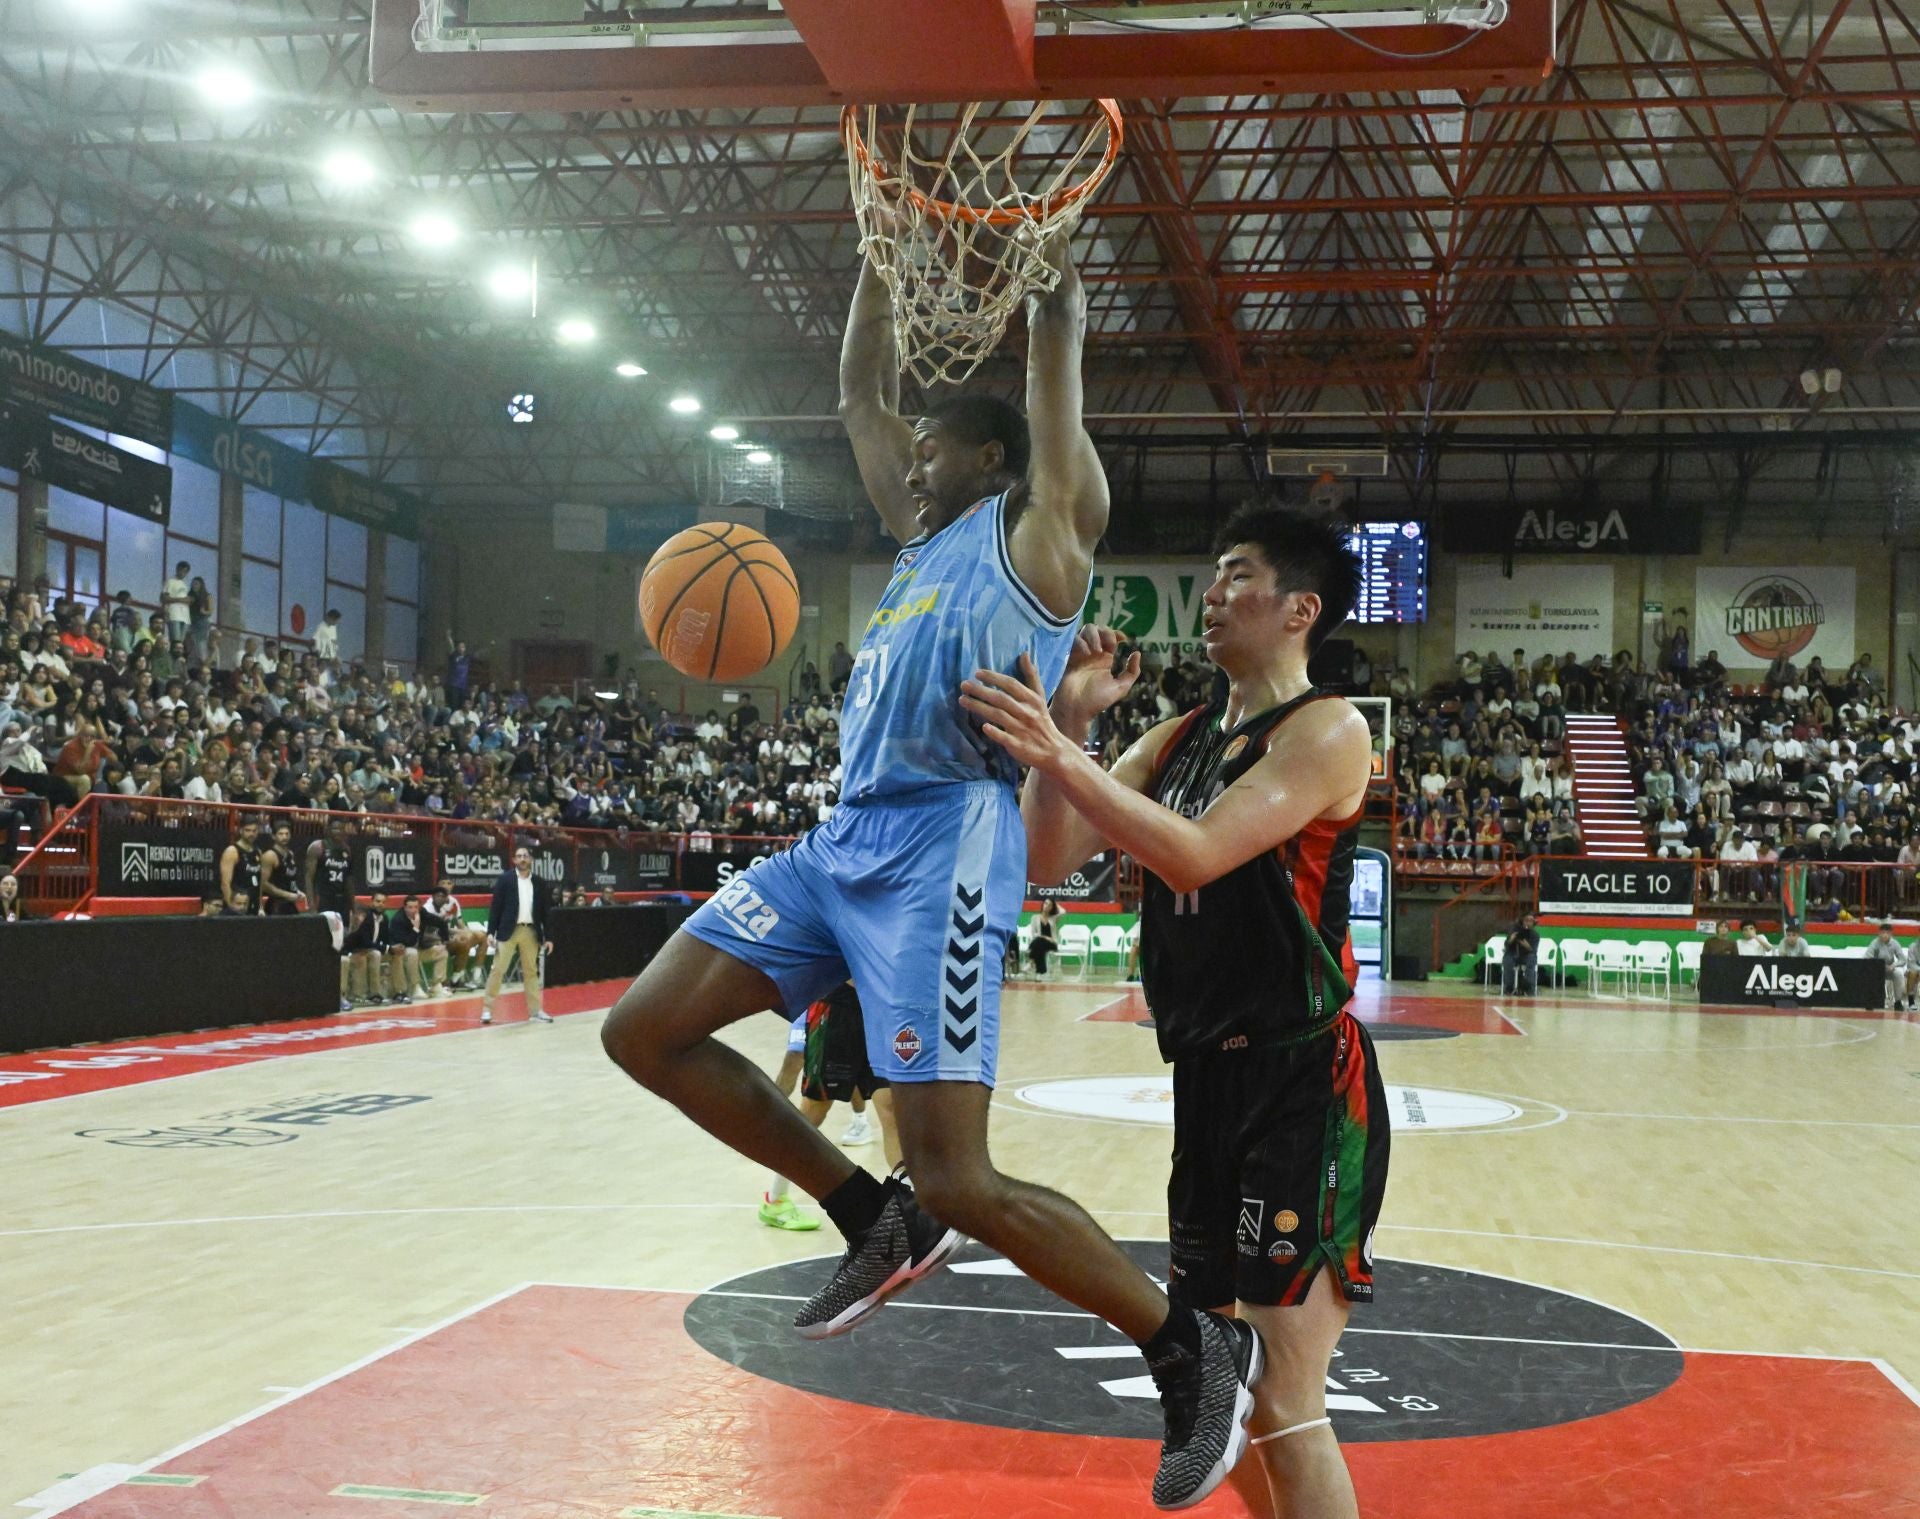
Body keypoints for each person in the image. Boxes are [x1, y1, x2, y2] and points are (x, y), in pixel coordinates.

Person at [600, 236, 1261, 1510]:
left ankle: (1189, 1347)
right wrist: (872, 254)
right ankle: (869, 1214)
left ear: (994, 462)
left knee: (959, 1170)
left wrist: (1053, 296)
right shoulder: (916, 548)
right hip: (840, 841)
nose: (909, 462)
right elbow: (860, 391)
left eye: (933, 450)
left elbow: (1056, 388)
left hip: (944, 850)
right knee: (646, 1030)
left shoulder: (1042, 539)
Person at [962, 506, 1386, 1519]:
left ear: (1299, 610)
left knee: (1285, 1398)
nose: (1212, 591)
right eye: (1213, 571)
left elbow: (1192, 855)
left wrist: (1058, 757)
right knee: (1212, 1387)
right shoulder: (1179, 737)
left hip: (1301, 1080)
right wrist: (1072, 723)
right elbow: (1045, 857)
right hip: (1206, 1079)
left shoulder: (1329, 728)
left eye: (1237, 573)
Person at [483, 845, 553, 1026]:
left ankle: (535, 1012)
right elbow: (495, 908)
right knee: (498, 969)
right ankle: (487, 1009)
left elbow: (546, 911)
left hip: (530, 931)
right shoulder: (505, 880)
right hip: (508, 930)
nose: (522, 859)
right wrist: (490, 932)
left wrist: (548, 937)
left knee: (531, 972)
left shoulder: (539, 882)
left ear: (531, 859)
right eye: (519, 856)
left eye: (525, 856)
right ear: (514, 860)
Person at [218, 816, 265, 915]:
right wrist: (232, 908)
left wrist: (260, 906)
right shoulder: (232, 851)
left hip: (253, 905)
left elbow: (260, 882)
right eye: (248, 830)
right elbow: (225, 884)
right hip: (238, 907)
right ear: (240, 830)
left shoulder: (258, 852)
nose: (251, 834)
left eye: (254, 831)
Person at [257, 821, 306, 916]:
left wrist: (297, 891)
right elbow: (263, 883)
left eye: (287, 834)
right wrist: (287, 895)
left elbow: (289, 879)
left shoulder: (290, 854)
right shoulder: (270, 855)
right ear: (273, 836)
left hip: (290, 903)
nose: (284, 837)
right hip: (276, 905)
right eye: (281, 834)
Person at [1502, 913, 1540, 996]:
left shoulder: (1535, 935)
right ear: (1522, 921)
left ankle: (1528, 988)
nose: (1528, 923)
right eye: (1526, 920)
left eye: (1530, 921)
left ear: (1533, 923)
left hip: (1527, 956)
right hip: (1513, 954)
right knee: (1507, 960)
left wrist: (1524, 943)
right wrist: (1511, 939)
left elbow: (1533, 950)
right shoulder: (1514, 931)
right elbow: (1506, 946)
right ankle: (1509, 987)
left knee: (1532, 960)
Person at [1029, 897, 1062, 976]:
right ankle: (1040, 973)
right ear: (1043, 904)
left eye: (1049, 905)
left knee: (1038, 943)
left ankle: (1031, 963)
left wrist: (1055, 905)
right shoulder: (1034, 918)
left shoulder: (1053, 918)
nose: (1047, 906)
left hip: (1051, 943)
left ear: (1052, 908)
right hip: (1040, 943)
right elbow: (1034, 934)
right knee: (1040, 945)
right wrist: (1045, 937)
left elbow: (1063, 911)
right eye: (1046, 903)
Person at [162, 561, 191, 647]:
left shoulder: (185, 585)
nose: (183, 573)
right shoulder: (170, 581)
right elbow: (164, 598)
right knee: (175, 641)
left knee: (180, 644)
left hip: (185, 617)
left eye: (185, 572)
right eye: (181, 570)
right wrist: (181, 600)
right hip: (174, 615)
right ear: (177, 569)